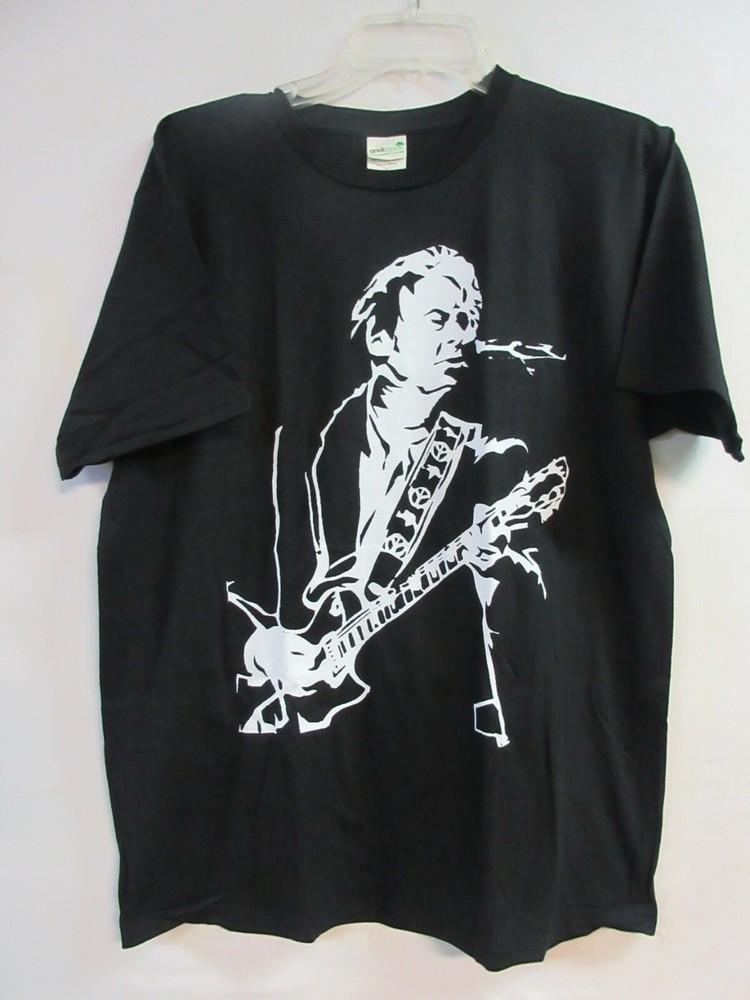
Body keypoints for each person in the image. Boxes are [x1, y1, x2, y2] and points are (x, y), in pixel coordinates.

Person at [227, 245, 568, 744]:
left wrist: (493, 569)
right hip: (302, 742)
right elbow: (226, 572)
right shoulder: (295, 448)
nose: (461, 334)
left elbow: (551, 600)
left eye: (467, 320)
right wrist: (260, 648)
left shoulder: (489, 457)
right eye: (439, 319)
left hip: (440, 732)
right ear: (381, 337)